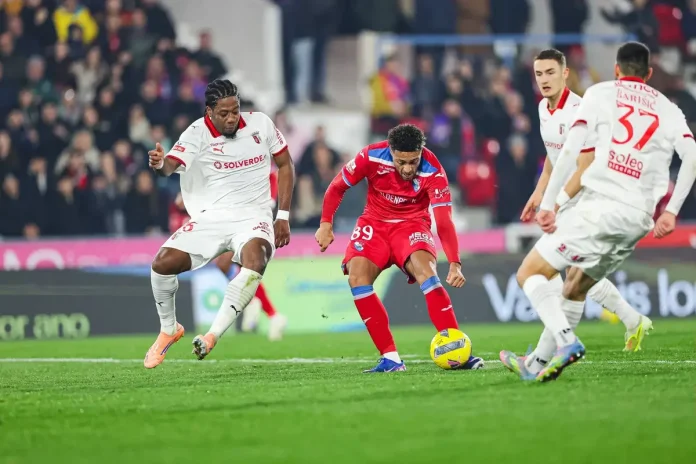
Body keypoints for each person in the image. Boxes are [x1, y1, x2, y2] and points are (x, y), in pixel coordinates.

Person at [507, 42, 696, 382]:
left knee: (529, 273)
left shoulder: (598, 94)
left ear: (616, 69)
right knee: (575, 287)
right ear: (649, 73)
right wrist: (671, 210)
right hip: (639, 219)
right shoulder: (669, 108)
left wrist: (551, 204)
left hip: (599, 205)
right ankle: (536, 363)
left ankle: (567, 342)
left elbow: (573, 155)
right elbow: (692, 155)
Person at [143, 79, 295, 368]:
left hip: (254, 216)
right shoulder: (196, 133)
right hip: (212, 217)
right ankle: (169, 329)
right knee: (162, 264)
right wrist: (160, 164)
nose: (231, 118)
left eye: (235, 111)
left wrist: (283, 216)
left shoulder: (260, 124)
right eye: (224, 113)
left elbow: (286, 164)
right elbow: (170, 166)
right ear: (209, 112)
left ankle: (212, 335)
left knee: (256, 259)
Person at [315, 124, 483, 373]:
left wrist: (455, 262)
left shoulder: (434, 170)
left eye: (413, 161)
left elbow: (444, 221)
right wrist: (325, 224)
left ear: (421, 152)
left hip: (412, 224)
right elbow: (337, 187)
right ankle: (391, 359)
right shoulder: (370, 156)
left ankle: (457, 350)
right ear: (390, 151)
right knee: (357, 278)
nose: (407, 169)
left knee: (427, 273)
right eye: (400, 162)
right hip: (374, 223)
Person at [173, 189, 288, 341]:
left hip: (248, 213)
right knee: (239, 268)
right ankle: (272, 314)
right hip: (232, 209)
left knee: (231, 264)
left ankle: (259, 306)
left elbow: (274, 178)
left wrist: (271, 199)